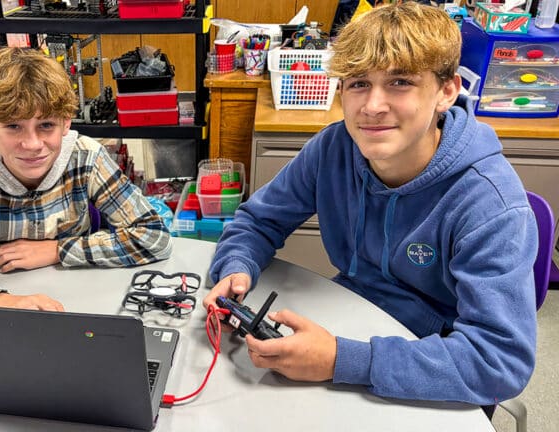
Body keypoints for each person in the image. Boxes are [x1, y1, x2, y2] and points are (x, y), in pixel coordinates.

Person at [203, 2, 538, 409]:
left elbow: (498, 361)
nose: (372, 106)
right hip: (349, 322)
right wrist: (237, 266)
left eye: (399, 82)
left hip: (439, 367)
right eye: (358, 83)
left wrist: (342, 360)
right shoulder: (333, 149)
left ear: (446, 91)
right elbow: (257, 221)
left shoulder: (491, 204)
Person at [0, 47, 171, 311]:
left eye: (46, 125)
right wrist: (0, 302)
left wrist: (57, 250)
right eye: (14, 126)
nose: (32, 144)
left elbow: (154, 236)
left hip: (75, 292)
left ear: (66, 122)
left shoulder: (87, 157)